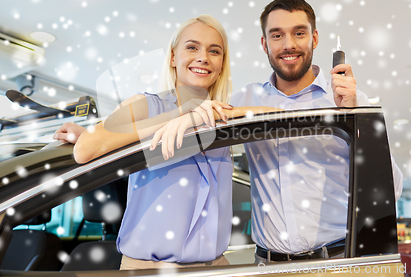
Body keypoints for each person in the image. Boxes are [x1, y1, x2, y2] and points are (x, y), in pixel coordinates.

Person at [53, 14, 275, 270]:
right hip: (149, 269)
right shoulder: (146, 105)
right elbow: (85, 150)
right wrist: (183, 113)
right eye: (192, 47)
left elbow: (275, 116)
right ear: (172, 57)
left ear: (221, 64)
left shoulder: (220, 114)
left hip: (215, 267)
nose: (203, 57)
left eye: (214, 51)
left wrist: (211, 113)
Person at [228, 0, 404, 263]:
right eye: (277, 35)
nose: (288, 45)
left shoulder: (350, 100)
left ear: (315, 38)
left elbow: (392, 189)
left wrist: (356, 116)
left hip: (335, 261)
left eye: (299, 33)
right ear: (264, 44)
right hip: (267, 266)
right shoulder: (244, 100)